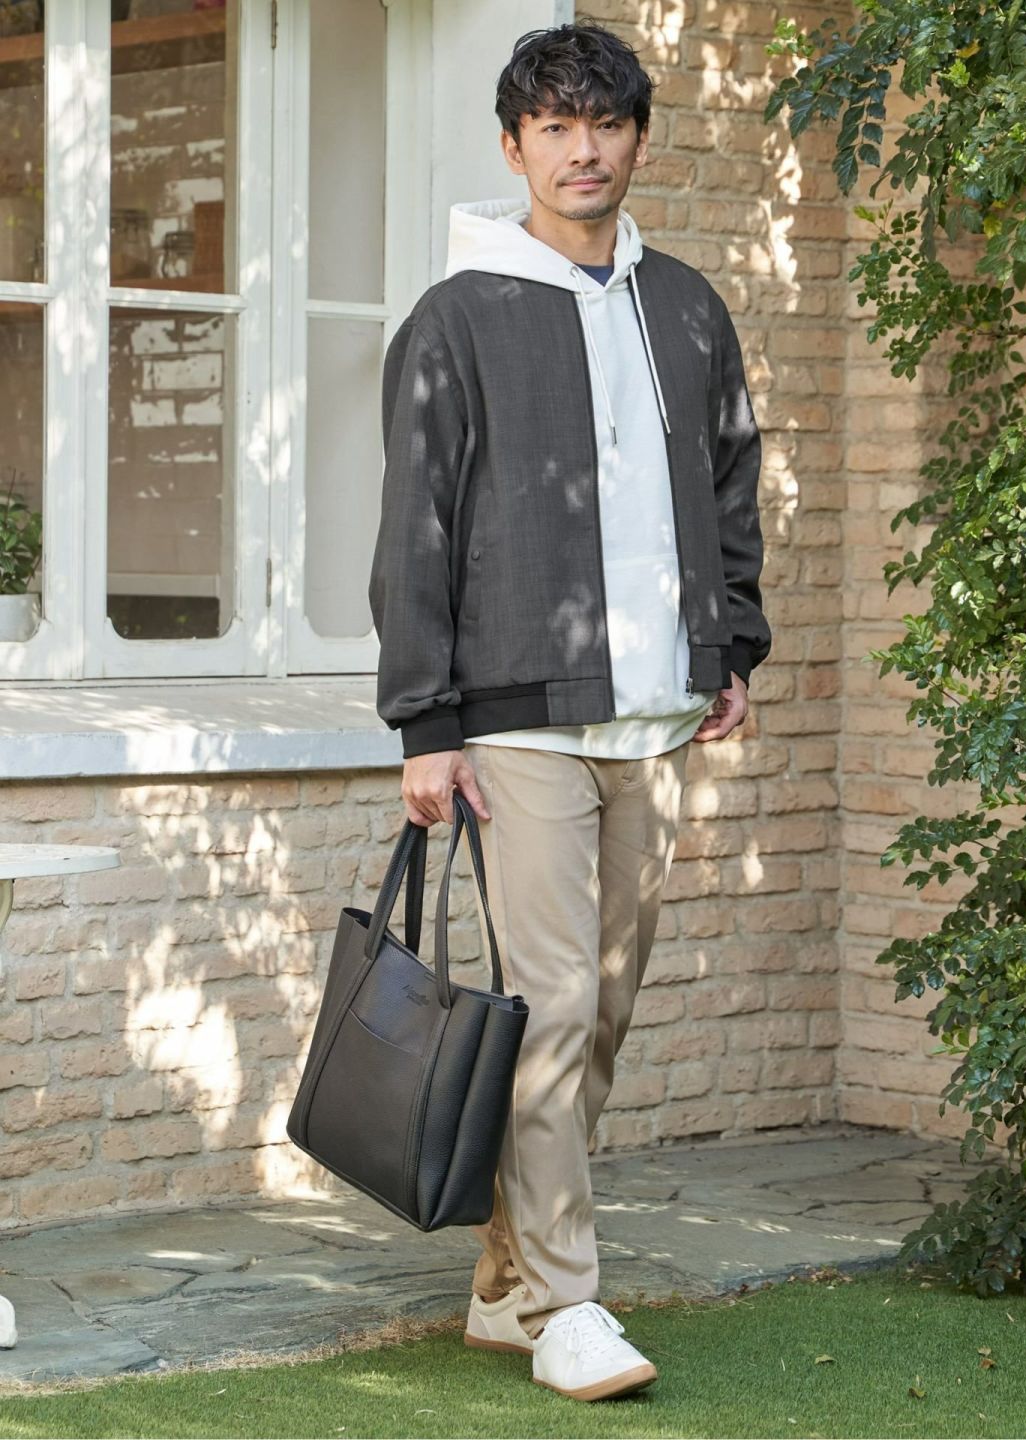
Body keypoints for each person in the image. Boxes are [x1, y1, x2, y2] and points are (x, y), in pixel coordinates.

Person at [367, 19, 771, 1404]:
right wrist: (426, 726)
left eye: (604, 124)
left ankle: (505, 1280)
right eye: (554, 127)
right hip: (516, 723)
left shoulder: (688, 307)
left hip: (653, 716)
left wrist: (729, 645)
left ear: (637, 138)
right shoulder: (456, 319)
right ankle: (567, 1304)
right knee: (545, 1012)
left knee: (595, 1016)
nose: (582, 150)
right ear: (513, 146)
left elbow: (728, 484)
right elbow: (415, 529)